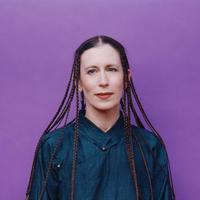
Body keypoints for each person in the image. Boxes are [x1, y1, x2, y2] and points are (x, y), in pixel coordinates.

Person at [25, 35, 176, 200]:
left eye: (111, 69)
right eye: (92, 71)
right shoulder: (53, 146)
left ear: (126, 77)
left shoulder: (150, 146)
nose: (103, 81)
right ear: (79, 82)